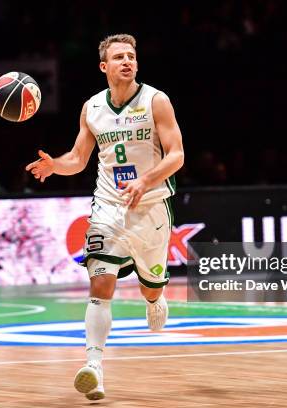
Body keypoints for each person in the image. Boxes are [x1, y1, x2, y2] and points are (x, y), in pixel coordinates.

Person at [26, 33, 184, 401]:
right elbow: (78, 159)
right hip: (108, 208)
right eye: (118, 57)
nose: (127, 61)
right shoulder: (92, 108)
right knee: (101, 286)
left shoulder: (156, 101)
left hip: (152, 207)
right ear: (104, 66)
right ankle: (93, 367)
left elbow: (176, 155)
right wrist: (54, 166)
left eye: (131, 56)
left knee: (151, 285)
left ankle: (154, 297)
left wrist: (145, 180)